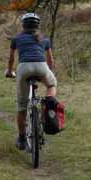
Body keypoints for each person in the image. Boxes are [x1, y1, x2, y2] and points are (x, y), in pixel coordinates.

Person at [5, 13, 57, 150]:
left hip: (24, 68)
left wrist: (9, 71)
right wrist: (50, 72)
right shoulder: (44, 38)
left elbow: (11, 59)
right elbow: (50, 60)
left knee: (22, 107)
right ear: (37, 25)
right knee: (52, 85)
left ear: (23, 25)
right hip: (41, 67)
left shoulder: (17, 38)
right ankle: (49, 102)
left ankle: (22, 139)